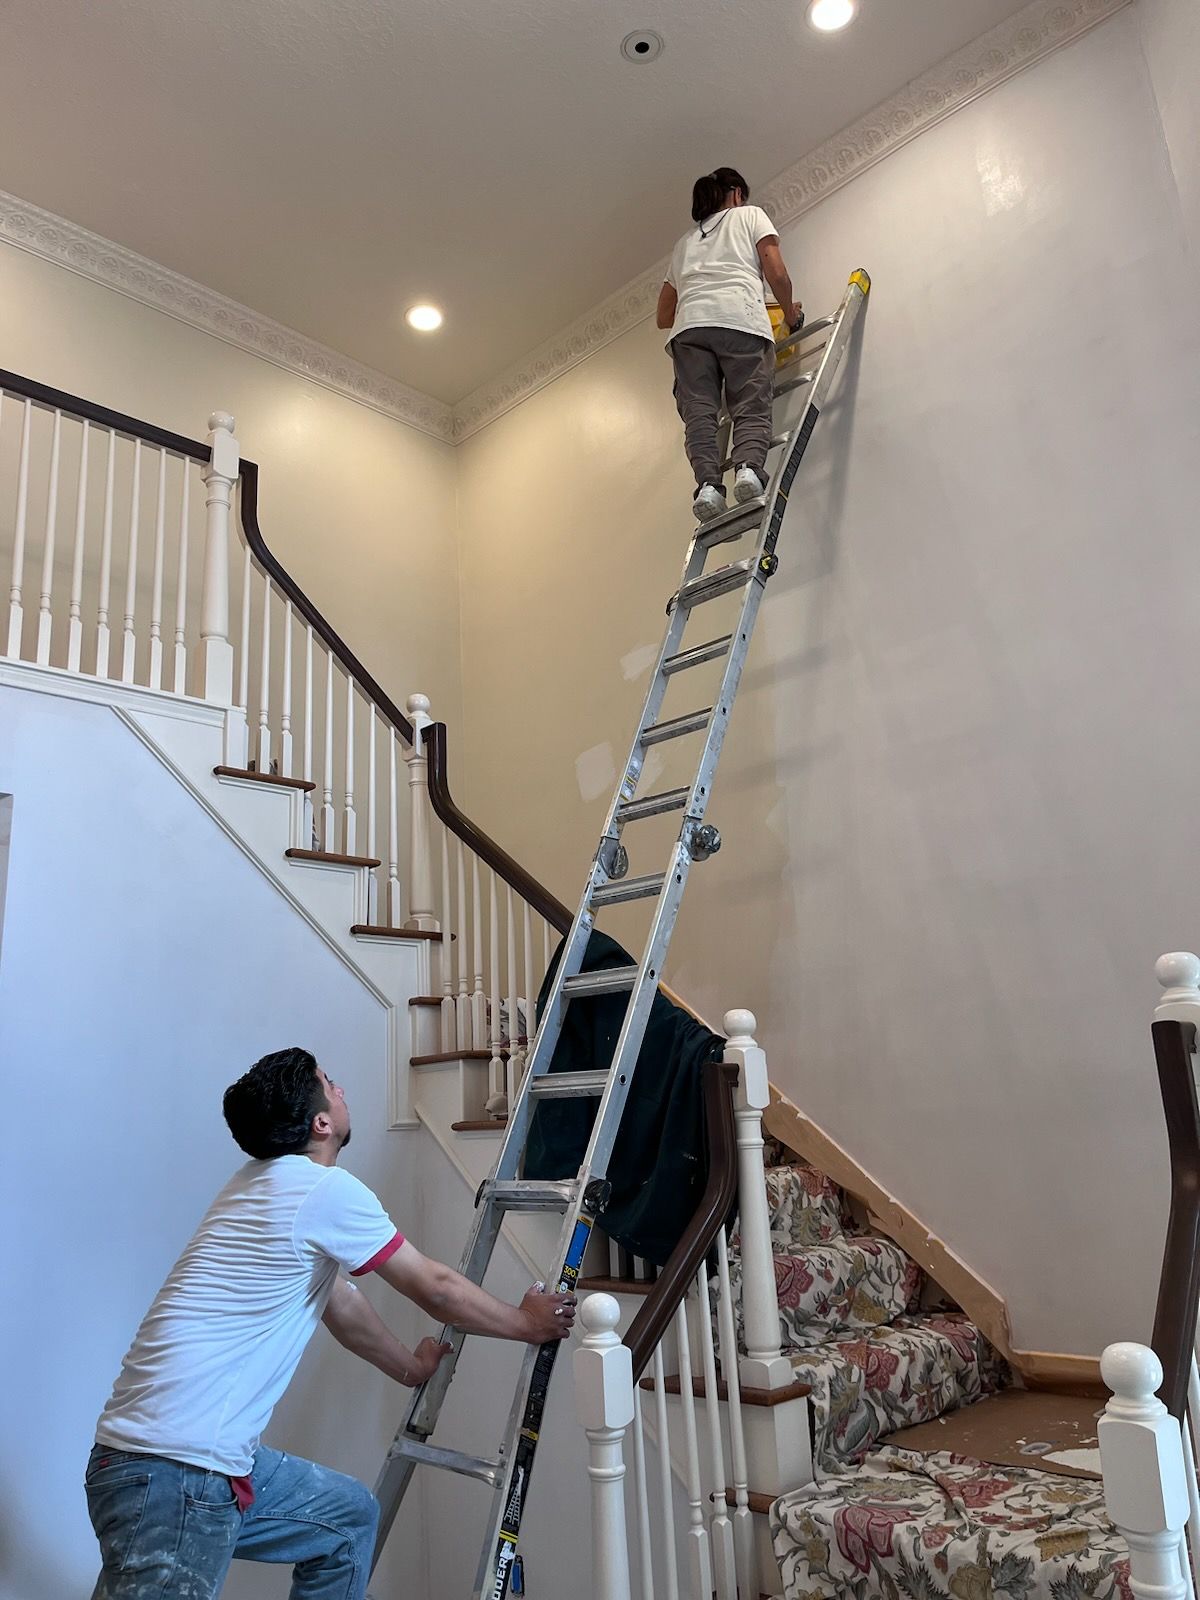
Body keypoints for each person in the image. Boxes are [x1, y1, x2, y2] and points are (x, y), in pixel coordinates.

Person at [84, 1047, 576, 1600]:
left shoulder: (258, 1185)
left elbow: (339, 1301)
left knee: (346, 1519)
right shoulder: (322, 1192)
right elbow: (433, 1286)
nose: (341, 1091)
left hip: (180, 1463)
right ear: (322, 1122)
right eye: (331, 1083)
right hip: (178, 1470)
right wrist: (526, 1323)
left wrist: (409, 1368)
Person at [657, 167, 802, 522]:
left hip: (689, 330)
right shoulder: (749, 215)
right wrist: (789, 314)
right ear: (737, 194)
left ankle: (708, 486)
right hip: (740, 320)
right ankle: (749, 471)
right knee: (750, 400)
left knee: (700, 413)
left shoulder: (684, 244)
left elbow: (663, 316)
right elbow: (776, 272)